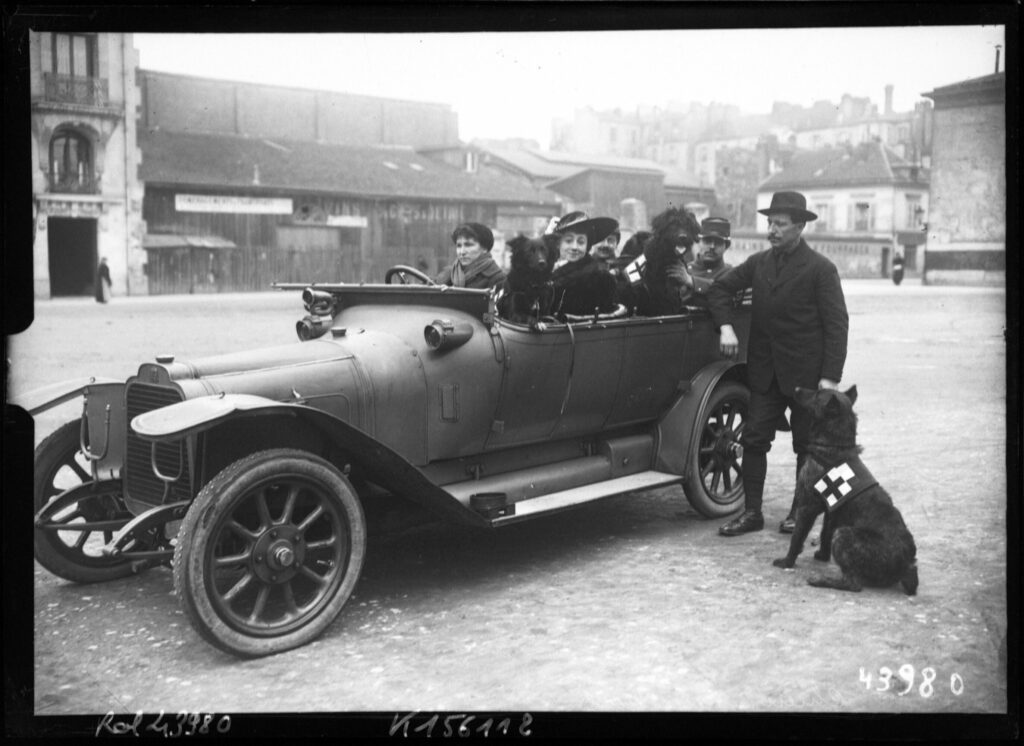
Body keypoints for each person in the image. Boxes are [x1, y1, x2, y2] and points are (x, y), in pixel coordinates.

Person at [706, 191, 849, 536]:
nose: (772, 229)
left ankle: (799, 513)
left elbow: (837, 325)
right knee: (754, 440)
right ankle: (752, 513)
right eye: (769, 223)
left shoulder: (820, 269)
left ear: (799, 227)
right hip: (765, 373)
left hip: (807, 379)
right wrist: (726, 328)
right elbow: (718, 291)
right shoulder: (758, 264)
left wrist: (829, 379)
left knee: (806, 446)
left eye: (780, 224)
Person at [548, 211, 620, 317]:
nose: (574, 247)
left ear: (587, 246)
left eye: (581, 242)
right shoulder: (557, 270)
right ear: (559, 244)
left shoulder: (600, 277)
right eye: (568, 241)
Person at [636, 206, 701, 316]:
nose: (682, 234)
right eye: (674, 227)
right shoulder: (649, 259)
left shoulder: (680, 258)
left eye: (686, 228)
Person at [435, 222, 505, 290]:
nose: (462, 252)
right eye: (459, 246)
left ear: (484, 248)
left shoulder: (498, 278)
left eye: (468, 245)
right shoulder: (448, 274)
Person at [684, 217, 734, 306]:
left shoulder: (731, 273)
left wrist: (691, 281)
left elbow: (724, 292)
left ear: (726, 246)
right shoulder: (685, 270)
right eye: (707, 241)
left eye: (718, 242)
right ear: (699, 242)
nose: (712, 246)